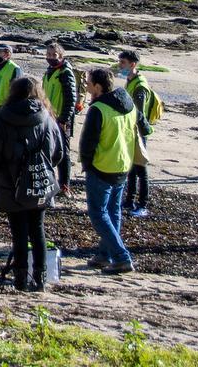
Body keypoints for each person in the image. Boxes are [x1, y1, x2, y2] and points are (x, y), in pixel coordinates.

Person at [0, 77, 65, 291]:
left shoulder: (5, 116)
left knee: (19, 234)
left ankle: (20, 279)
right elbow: (59, 152)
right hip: (39, 182)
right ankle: (39, 279)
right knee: (37, 230)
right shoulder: (47, 117)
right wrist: (44, 167)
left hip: (11, 183)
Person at [79, 68, 150, 275]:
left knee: (98, 213)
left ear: (98, 87)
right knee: (113, 211)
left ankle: (121, 256)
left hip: (103, 165)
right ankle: (105, 254)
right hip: (123, 164)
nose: (86, 86)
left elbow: (88, 142)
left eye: (89, 83)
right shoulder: (127, 103)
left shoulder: (98, 109)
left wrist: (87, 164)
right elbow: (145, 127)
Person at [119, 50, 154, 218]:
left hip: (138, 132)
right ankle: (129, 199)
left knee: (141, 168)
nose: (120, 66)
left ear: (133, 64)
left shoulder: (140, 86)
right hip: (129, 130)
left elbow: (138, 113)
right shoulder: (130, 81)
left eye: (123, 63)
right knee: (130, 167)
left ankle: (142, 204)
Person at [42, 41, 80, 194]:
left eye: (54, 55)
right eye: (49, 55)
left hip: (61, 120)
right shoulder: (49, 71)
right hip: (48, 117)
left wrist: (64, 119)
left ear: (61, 56)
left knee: (63, 152)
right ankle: (52, 181)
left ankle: (65, 185)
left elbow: (71, 99)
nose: (51, 57)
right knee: (50, 149)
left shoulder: (65, 73)